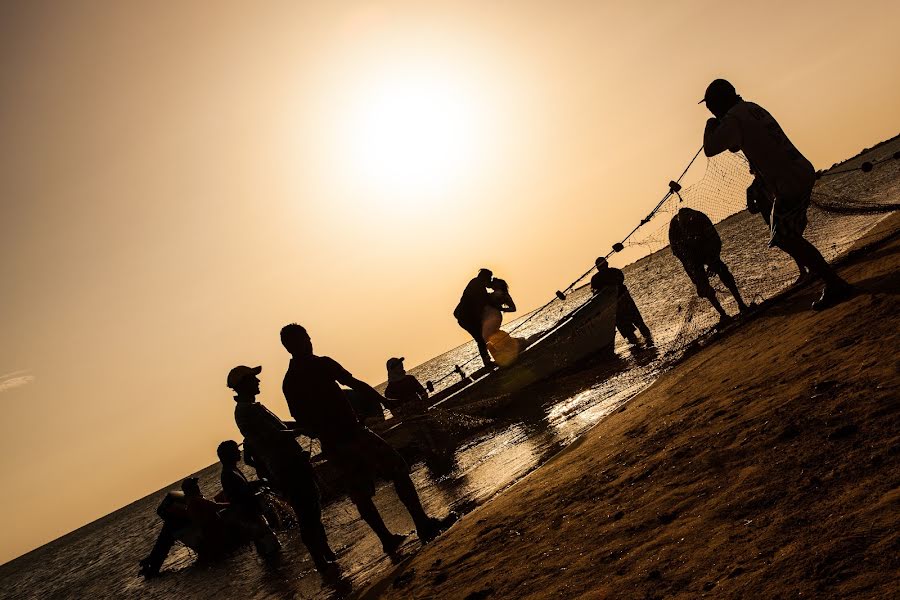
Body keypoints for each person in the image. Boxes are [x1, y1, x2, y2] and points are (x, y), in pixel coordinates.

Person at [280, 324, 456, 554]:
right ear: (294, 345)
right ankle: (422, 524)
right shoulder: (320, 363)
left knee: (360, 493)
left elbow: (300, 419)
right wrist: (385, 402)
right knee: (397, 469)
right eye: (305, 338)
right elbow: (355, 384)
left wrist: (316, 428)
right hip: (353, 433)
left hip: (332, 444)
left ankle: (387, 540)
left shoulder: (289, 382)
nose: (310, 341)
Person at [701, 78, 853, 310]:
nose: (710, 111)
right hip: (800, 171)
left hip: (789, 182)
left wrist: (710, 124)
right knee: (788, 235)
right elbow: (740, 144)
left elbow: (711, 149)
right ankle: (826, 276)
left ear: (719, 104)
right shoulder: (752, 108)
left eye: (710, 107)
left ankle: (834, 282)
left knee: (786, 238)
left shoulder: (732, 120)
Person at [227, 365, 337, 574]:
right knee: (307, 513)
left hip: (288, 465)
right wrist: (302, 430)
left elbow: (279, 426)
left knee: (311, 508)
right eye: (253, 378)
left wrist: (300, 425)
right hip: (287, 466)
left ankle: (326, 554)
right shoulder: (247, 410)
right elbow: (276, 434)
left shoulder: (250, 407)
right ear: (244, 384)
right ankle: (321, 561)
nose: (258, 381)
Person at [668, 207, 749, 324]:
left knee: (723, 272)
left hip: (705, 248)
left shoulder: (700, 218)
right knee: (703, 285)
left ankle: (741, 304)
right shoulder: (675, 230)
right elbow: (679, 255)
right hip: (690, 256)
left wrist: (713, 260)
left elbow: (715, 240)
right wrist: (695, 278)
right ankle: (722, 314)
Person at [217, 440, 281, 558]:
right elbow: (241, 493)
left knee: (268, 548)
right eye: (235, 449)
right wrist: (260, 483)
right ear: (229, 454)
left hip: (251, 516)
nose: (239, 451)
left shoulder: (231, 470)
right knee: (271, 548)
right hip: (249, 517)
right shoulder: (228, 473)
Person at [746, 176, 811, 285]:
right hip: (781, 218)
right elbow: (752, 209)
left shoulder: (755, 188)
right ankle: (806, 269)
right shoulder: (767, 183)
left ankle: (807, 269)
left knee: (793, 245)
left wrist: (761, 205)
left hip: (781, 219)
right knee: (794, 244)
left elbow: (752, 209)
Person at [590, 257, 652, 345]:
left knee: (630, 333)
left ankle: (640, 348)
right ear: (606, 264)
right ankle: (650, 343)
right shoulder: (615, 271)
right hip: (623, 302)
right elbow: (621, 280)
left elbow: (595, 293)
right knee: (639, 325)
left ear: (597, 268)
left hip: (615, 307)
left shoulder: (595, 279)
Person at [480, 278, 528, 367]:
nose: (493, 283)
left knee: (488, 336)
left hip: (494, 316)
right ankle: (508, 348)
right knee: (492, 336)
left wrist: (501, 309)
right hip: (488, 317)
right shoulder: (492, 293)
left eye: (495, 282)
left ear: (499, 285)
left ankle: (509, 349)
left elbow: (513, 308)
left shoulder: (503, 294)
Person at [453, 268, 494, 367]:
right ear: (485, 277)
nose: (490, 280)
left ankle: (488, 358)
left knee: (482, 337)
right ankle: (487, 361)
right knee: (480, 338)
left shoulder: (476, 283)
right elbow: (484, 299)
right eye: (490, 278)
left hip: (467, 317)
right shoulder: (477, 284)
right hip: (465, 318)